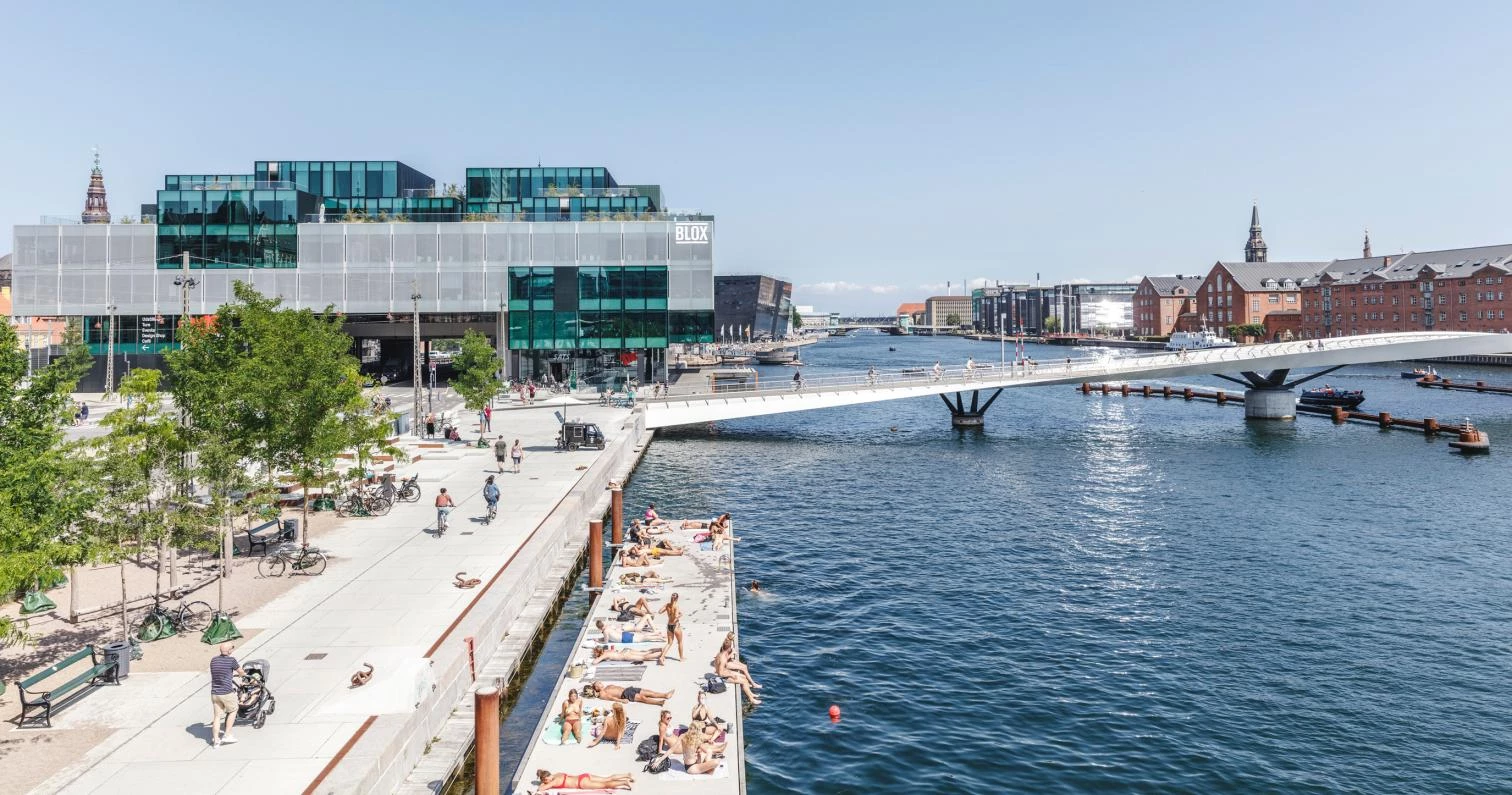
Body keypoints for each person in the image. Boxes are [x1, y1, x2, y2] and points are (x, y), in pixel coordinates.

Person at [209, 642, 244, 747]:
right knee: (233, 710)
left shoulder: (213, 660)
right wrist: (241, 674)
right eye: (232, 648)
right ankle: (227, 735)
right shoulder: (231, 660)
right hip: (226, 692)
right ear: (229, 651)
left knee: (217, 717)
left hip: (215, 693)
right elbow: (241, 672)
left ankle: (216, 740)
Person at [532, 769, 633, 793]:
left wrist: (543, 783)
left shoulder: (553, 782)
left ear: (546, 778)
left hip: (582, 783)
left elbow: (540, 789)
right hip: (584, 776)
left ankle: (624, 782)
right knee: (606, 779)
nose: (545, 782)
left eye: (545, 780)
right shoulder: (557, 774)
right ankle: (627, 775)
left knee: (605, 784)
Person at [585, 680, 674, 705]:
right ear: (596, 688)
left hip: (628, 689)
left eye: (600, 682)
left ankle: (665, 695)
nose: (601, 683)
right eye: (599, 684)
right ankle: (659, 702)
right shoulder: (602, 693)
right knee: (643, 698)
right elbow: (611, 698)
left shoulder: (607, 687)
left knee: (649, 692)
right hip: (625, 694)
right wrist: (621, 701)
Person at [596, 618, 663, 644]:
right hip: (624, 634)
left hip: (624, 638)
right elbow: (608, 637)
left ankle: (659, 637)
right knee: (642, 636)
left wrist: (599, 641)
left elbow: (606, 641)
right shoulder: (608, 627)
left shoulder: (605, 631)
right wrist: (599, 638)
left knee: (642, 639)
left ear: (599, 628)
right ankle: (656, 634)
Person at [660, 592, 684, 661]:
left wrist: (665, 607)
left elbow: (660, 611)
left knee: (669, 643)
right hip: (675, 626)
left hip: (669, 625)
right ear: (677, 599)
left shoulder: (667, 605)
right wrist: (680, 615)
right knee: (680, 642)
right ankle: (681, 657)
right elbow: (676, 617)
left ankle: (662, 657)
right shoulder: (676, 606)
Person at [591, 644, 666, 666]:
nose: (594, 654)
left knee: (643, 657)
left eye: (595, 653)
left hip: (624, 655)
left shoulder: (604, 655)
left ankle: (660, 654)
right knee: (644, 653)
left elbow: (594, 662)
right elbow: (615, 650)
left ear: (598, 652)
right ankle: (659, 649)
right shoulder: (606, 650)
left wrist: (595, 658)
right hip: (625, 650)